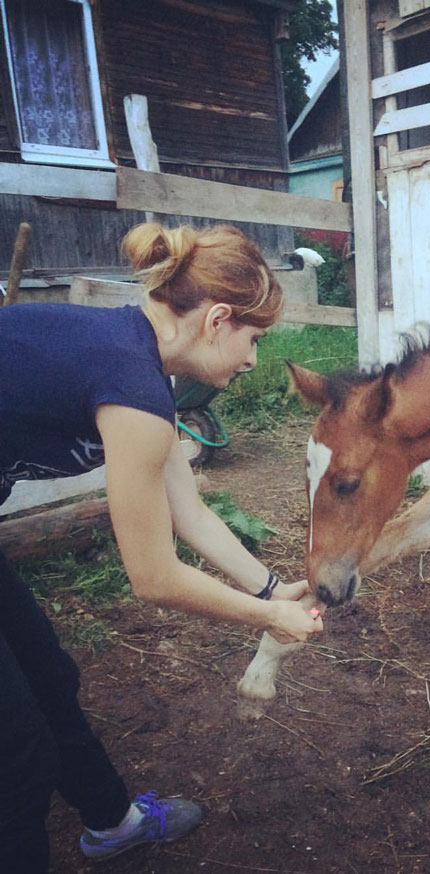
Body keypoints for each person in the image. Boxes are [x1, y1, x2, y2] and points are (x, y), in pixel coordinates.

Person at [0, 222, 324, 872]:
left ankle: (110, 824)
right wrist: (268, 619)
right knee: (18, 749)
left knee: (51, 679)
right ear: (218, 320)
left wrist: (269, 587)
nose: (254, 360)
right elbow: (152, 577)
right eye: (254, 340)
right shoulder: (131, 380)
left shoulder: (136, 362)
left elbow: (190, 512)